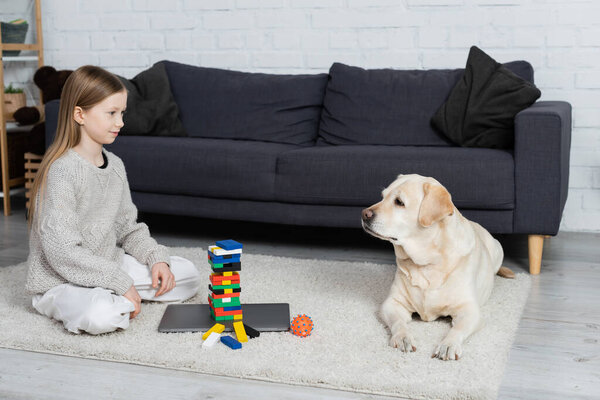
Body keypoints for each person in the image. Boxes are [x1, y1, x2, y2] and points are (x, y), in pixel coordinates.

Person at [25, 65, 202, 335]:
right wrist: (119, 281)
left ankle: (113, 293)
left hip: (107, 263)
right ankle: (102, 298)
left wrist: (156, 260)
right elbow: (62, 252)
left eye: (122, 113)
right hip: (61, 279)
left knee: (186, 276)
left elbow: (127, 228)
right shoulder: (60, 171)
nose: (120, 122)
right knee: (101, 315)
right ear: (80, 114)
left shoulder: (115, 165)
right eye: (111, 113)